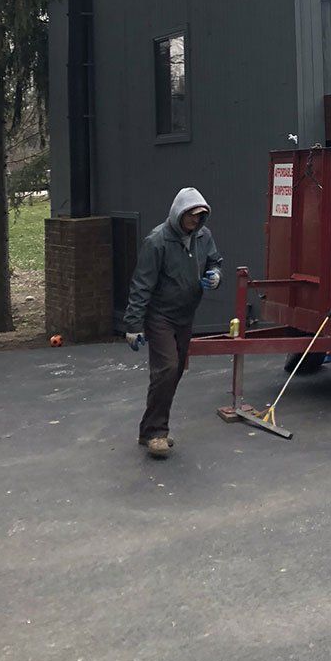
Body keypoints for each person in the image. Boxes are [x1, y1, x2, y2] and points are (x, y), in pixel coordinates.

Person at [122, 187, 222, 458]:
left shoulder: (203, 236)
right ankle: (156, 433)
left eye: (200, 215)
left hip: (185, 314)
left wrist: (214, 275)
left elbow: (214, 260)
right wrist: (133, 325)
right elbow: (141, 284)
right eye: (191, 215)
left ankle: (149, 428)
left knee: (174, 372)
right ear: (180, 213)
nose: (195, 220)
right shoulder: (157, 241)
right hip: (160, 315)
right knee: (166, 368)